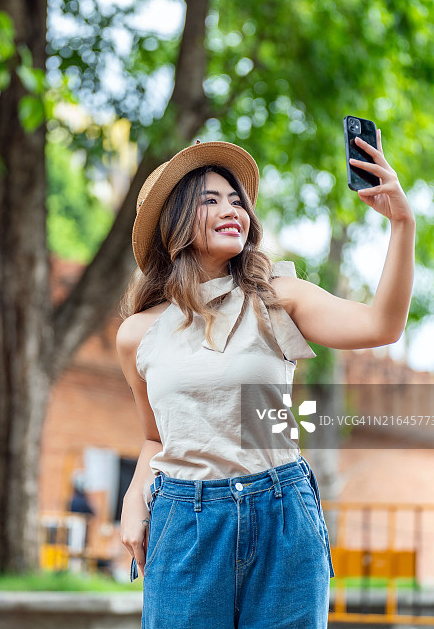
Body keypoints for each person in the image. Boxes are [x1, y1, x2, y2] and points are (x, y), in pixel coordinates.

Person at [116, 137, 415, 629]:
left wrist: (401, 222)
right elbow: (155, 436)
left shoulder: (276, 296)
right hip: (185, 522)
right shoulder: (138, 334)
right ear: (175, 222)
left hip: (281, 513)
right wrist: (133, 499)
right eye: (210, 200)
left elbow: (382, 325)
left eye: (237, 200)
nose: (231, 209)